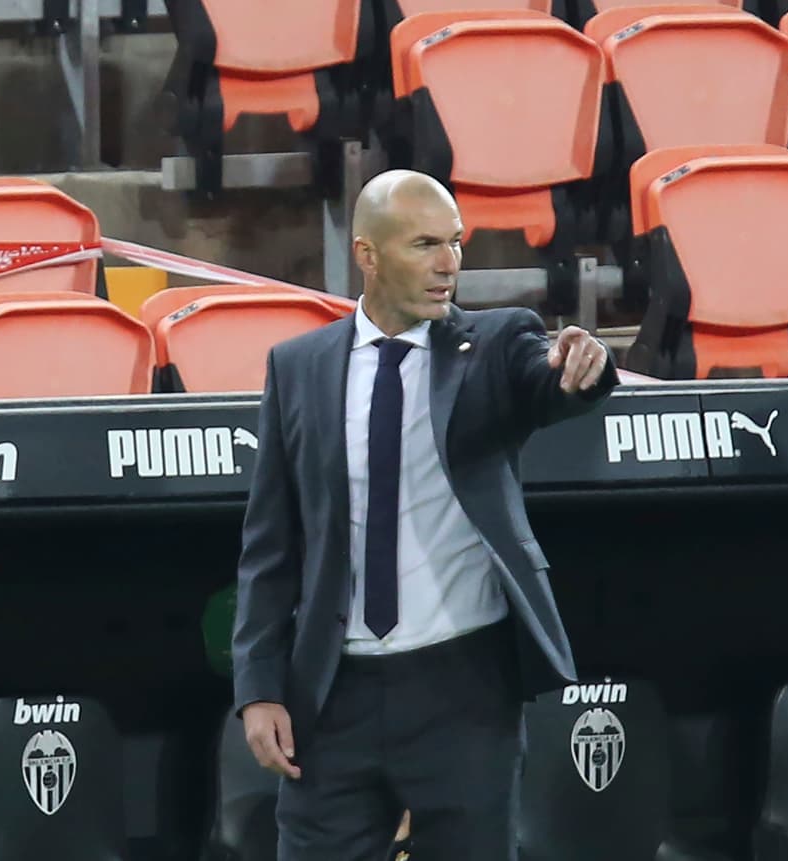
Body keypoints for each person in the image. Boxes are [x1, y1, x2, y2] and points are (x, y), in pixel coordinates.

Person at [231, 169, 618, 860]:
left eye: (457, 243)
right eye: (425, 245)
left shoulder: (495, 346)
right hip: (333, 693)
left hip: (463, 690)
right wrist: (258, 687)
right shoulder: (298, 368)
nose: (450, 265)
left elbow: (548, 382)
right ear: (367, 255)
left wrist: (582, 371)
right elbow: (270, 546)